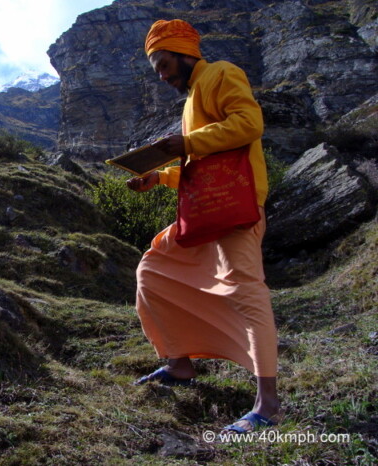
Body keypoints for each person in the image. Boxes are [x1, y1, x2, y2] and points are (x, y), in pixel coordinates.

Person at [127, 18, 280, 433]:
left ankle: (268, 404)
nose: (161, 76)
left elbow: (250, 125)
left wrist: (188, 143)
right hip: (207, 208)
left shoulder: (222, 73)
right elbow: (205, 169)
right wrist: (158, 176)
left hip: (236, 208)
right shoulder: (193, 95)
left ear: (184, 53)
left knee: (246, 290)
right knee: (152, 270)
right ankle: (179, 365)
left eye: (163, 65)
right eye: (155, 68)